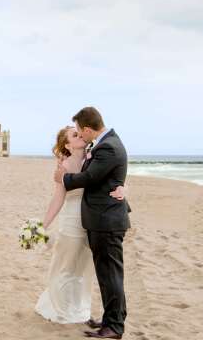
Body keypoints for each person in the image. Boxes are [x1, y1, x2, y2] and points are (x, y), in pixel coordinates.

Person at [54, 107, 131, 339]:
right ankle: (111, 320)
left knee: (111, 276)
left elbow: (91, 177)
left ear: (87, 129)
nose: (80, 135)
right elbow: (107, 178)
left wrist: (64, 179)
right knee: (108, 275)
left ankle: (115, 327)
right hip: (103, 219)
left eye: (79, 130)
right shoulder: (106, 143)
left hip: (106, 221)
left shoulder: (107, 146)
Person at [36, 126, 125, 325]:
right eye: (74, 135)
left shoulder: (93, 158)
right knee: (66, 267)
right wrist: (42, 226)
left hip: (92, 221)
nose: (80, 136)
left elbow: (111, 176)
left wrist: (123, 187)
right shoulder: (64, 166)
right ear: (67, 144)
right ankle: (61, 308)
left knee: (84, 270)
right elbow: (58, 199)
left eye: (79, 132)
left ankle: (79, 308)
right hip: (71, 221)